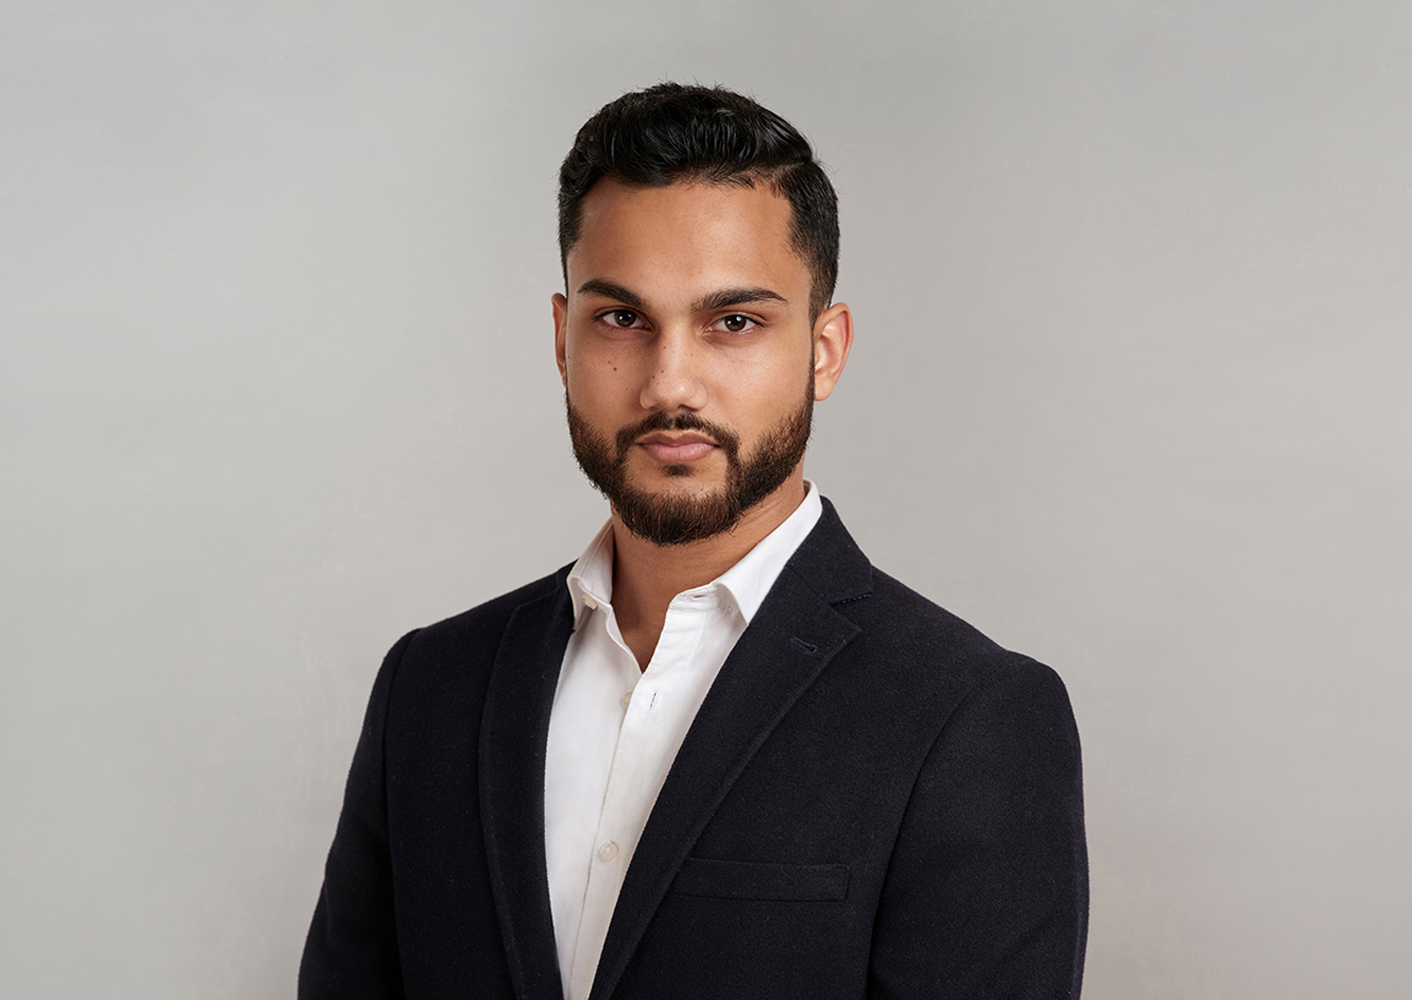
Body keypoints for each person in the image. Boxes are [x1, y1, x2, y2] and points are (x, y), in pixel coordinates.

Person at [300, 82, 1089, 1000]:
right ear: (562, 339)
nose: (669, 383)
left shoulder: (970, 717)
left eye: (734, 323)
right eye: (623, 319)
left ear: (825, 350)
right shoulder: (429, 688)